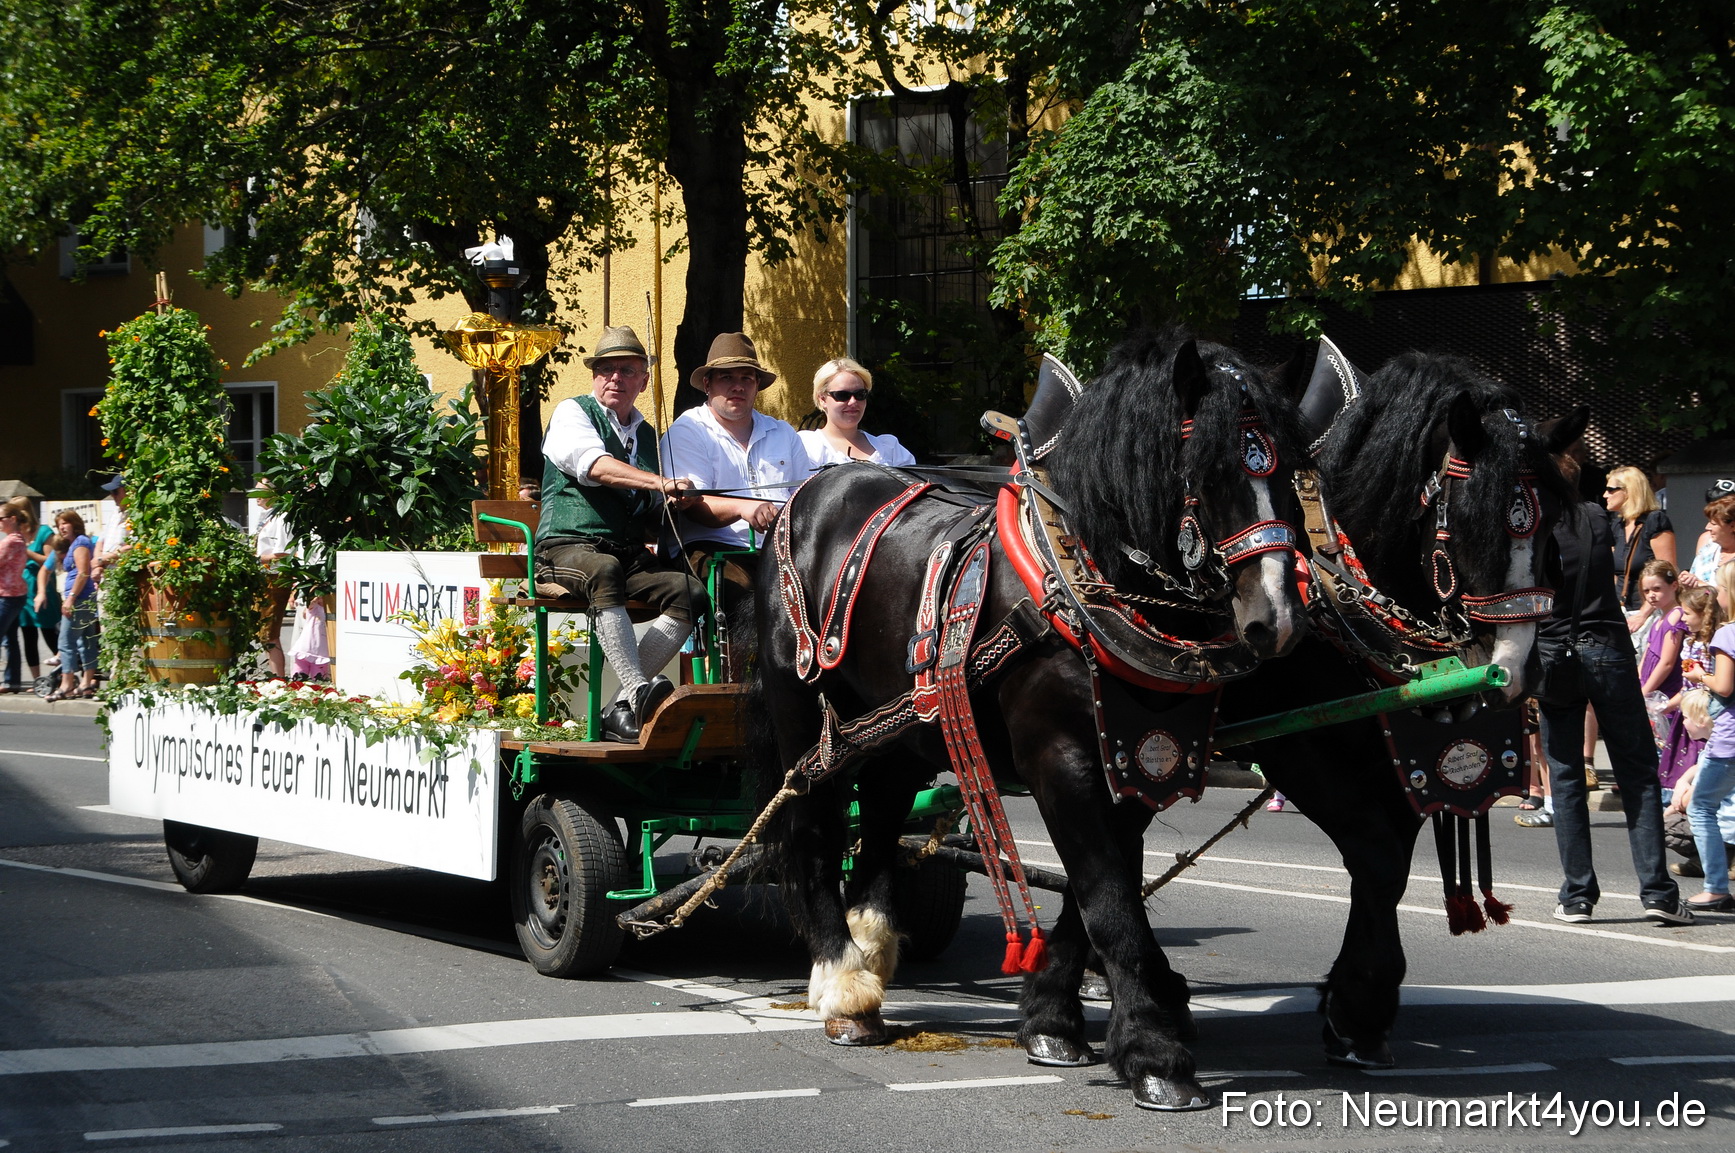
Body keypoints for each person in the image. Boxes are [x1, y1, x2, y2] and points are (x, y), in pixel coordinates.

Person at [1534, 458, 1694, 926]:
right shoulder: (1597, 518)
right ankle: (1658, 893)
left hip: (1553, 649)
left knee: (1563, 776)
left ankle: (1578, 895)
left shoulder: (1530, 522)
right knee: (1637, 771)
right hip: (1607, 644)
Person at [537, 325, 707, 743]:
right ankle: (637, 689)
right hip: (565, 547)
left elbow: (647, 503)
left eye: (627, 370)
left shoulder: (649, 435)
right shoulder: (572, 413)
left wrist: (672, 502)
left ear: (644, 380)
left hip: (625, 552)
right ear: (594, 375)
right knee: (604, 569)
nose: (615, 378)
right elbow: (593, 466)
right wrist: (658, 483)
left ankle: (619, 707)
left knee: (691, 592)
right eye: (606, 369)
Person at [798, 357, 917, 470]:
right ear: (822, 399)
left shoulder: (890, 448)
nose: (853, 402)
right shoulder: (808, 446)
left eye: (860, 394)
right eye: (842, 395)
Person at [48, 511, 98, 700]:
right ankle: (86, 684)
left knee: (66, 642)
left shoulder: (80, 543)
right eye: (59, 524)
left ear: (74, 523)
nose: (61, 527)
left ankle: (67, 685)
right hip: (85, 598)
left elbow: (83, 572)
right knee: (86, 641)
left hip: (80, 599)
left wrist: (70, 598)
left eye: (65, 523)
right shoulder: (76, 543)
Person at [252, 483, 294, 677]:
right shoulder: (268, 516)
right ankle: (275, 677)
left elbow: (284, 553)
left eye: (260, 491)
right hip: (265, 576)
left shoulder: (282, 517)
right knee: (264, 631)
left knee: (270, 632)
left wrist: (256, 558)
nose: (255, 496)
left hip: (276, 577)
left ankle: (279, 678)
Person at [1679, 484, 1735, 589]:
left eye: (1713, 524)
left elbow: (1730, 596)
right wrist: (1688, 581)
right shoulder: (1707, 550)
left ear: (1732, 526)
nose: (1707, 527)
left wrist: (1702, 585)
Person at [0, 503, 26, 694]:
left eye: (1, 518)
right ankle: (12, 681)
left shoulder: (10, 541)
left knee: (8, 638)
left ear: (13, 519)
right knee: (11, 639)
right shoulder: (19, 539)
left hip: (6, 595)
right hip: (16, 594)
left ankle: (11, 680)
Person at [93, 474, 131, 582]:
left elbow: (133, 547)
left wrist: (101, 560)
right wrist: (98, 566)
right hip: (106, 577)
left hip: (122, 577)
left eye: (115, 492)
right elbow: (100, 542)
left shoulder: (136, 516)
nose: (113, 496)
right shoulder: (114, 513)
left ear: (128, 491)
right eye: (111, 492)